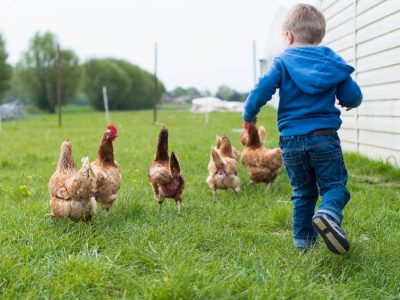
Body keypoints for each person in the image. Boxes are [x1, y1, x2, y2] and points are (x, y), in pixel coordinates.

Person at [242, 3, 363, 254]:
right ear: (319, 35)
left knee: (302, 191)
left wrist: (249, 114)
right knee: (334, 187)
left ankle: (303, 245)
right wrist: (349, 101)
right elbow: (352, 94)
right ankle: (328, 213)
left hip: (291, 141)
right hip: (324, 138)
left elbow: (261, 90)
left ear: (288, 36)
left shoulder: (282, 62)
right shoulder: (332, 62)